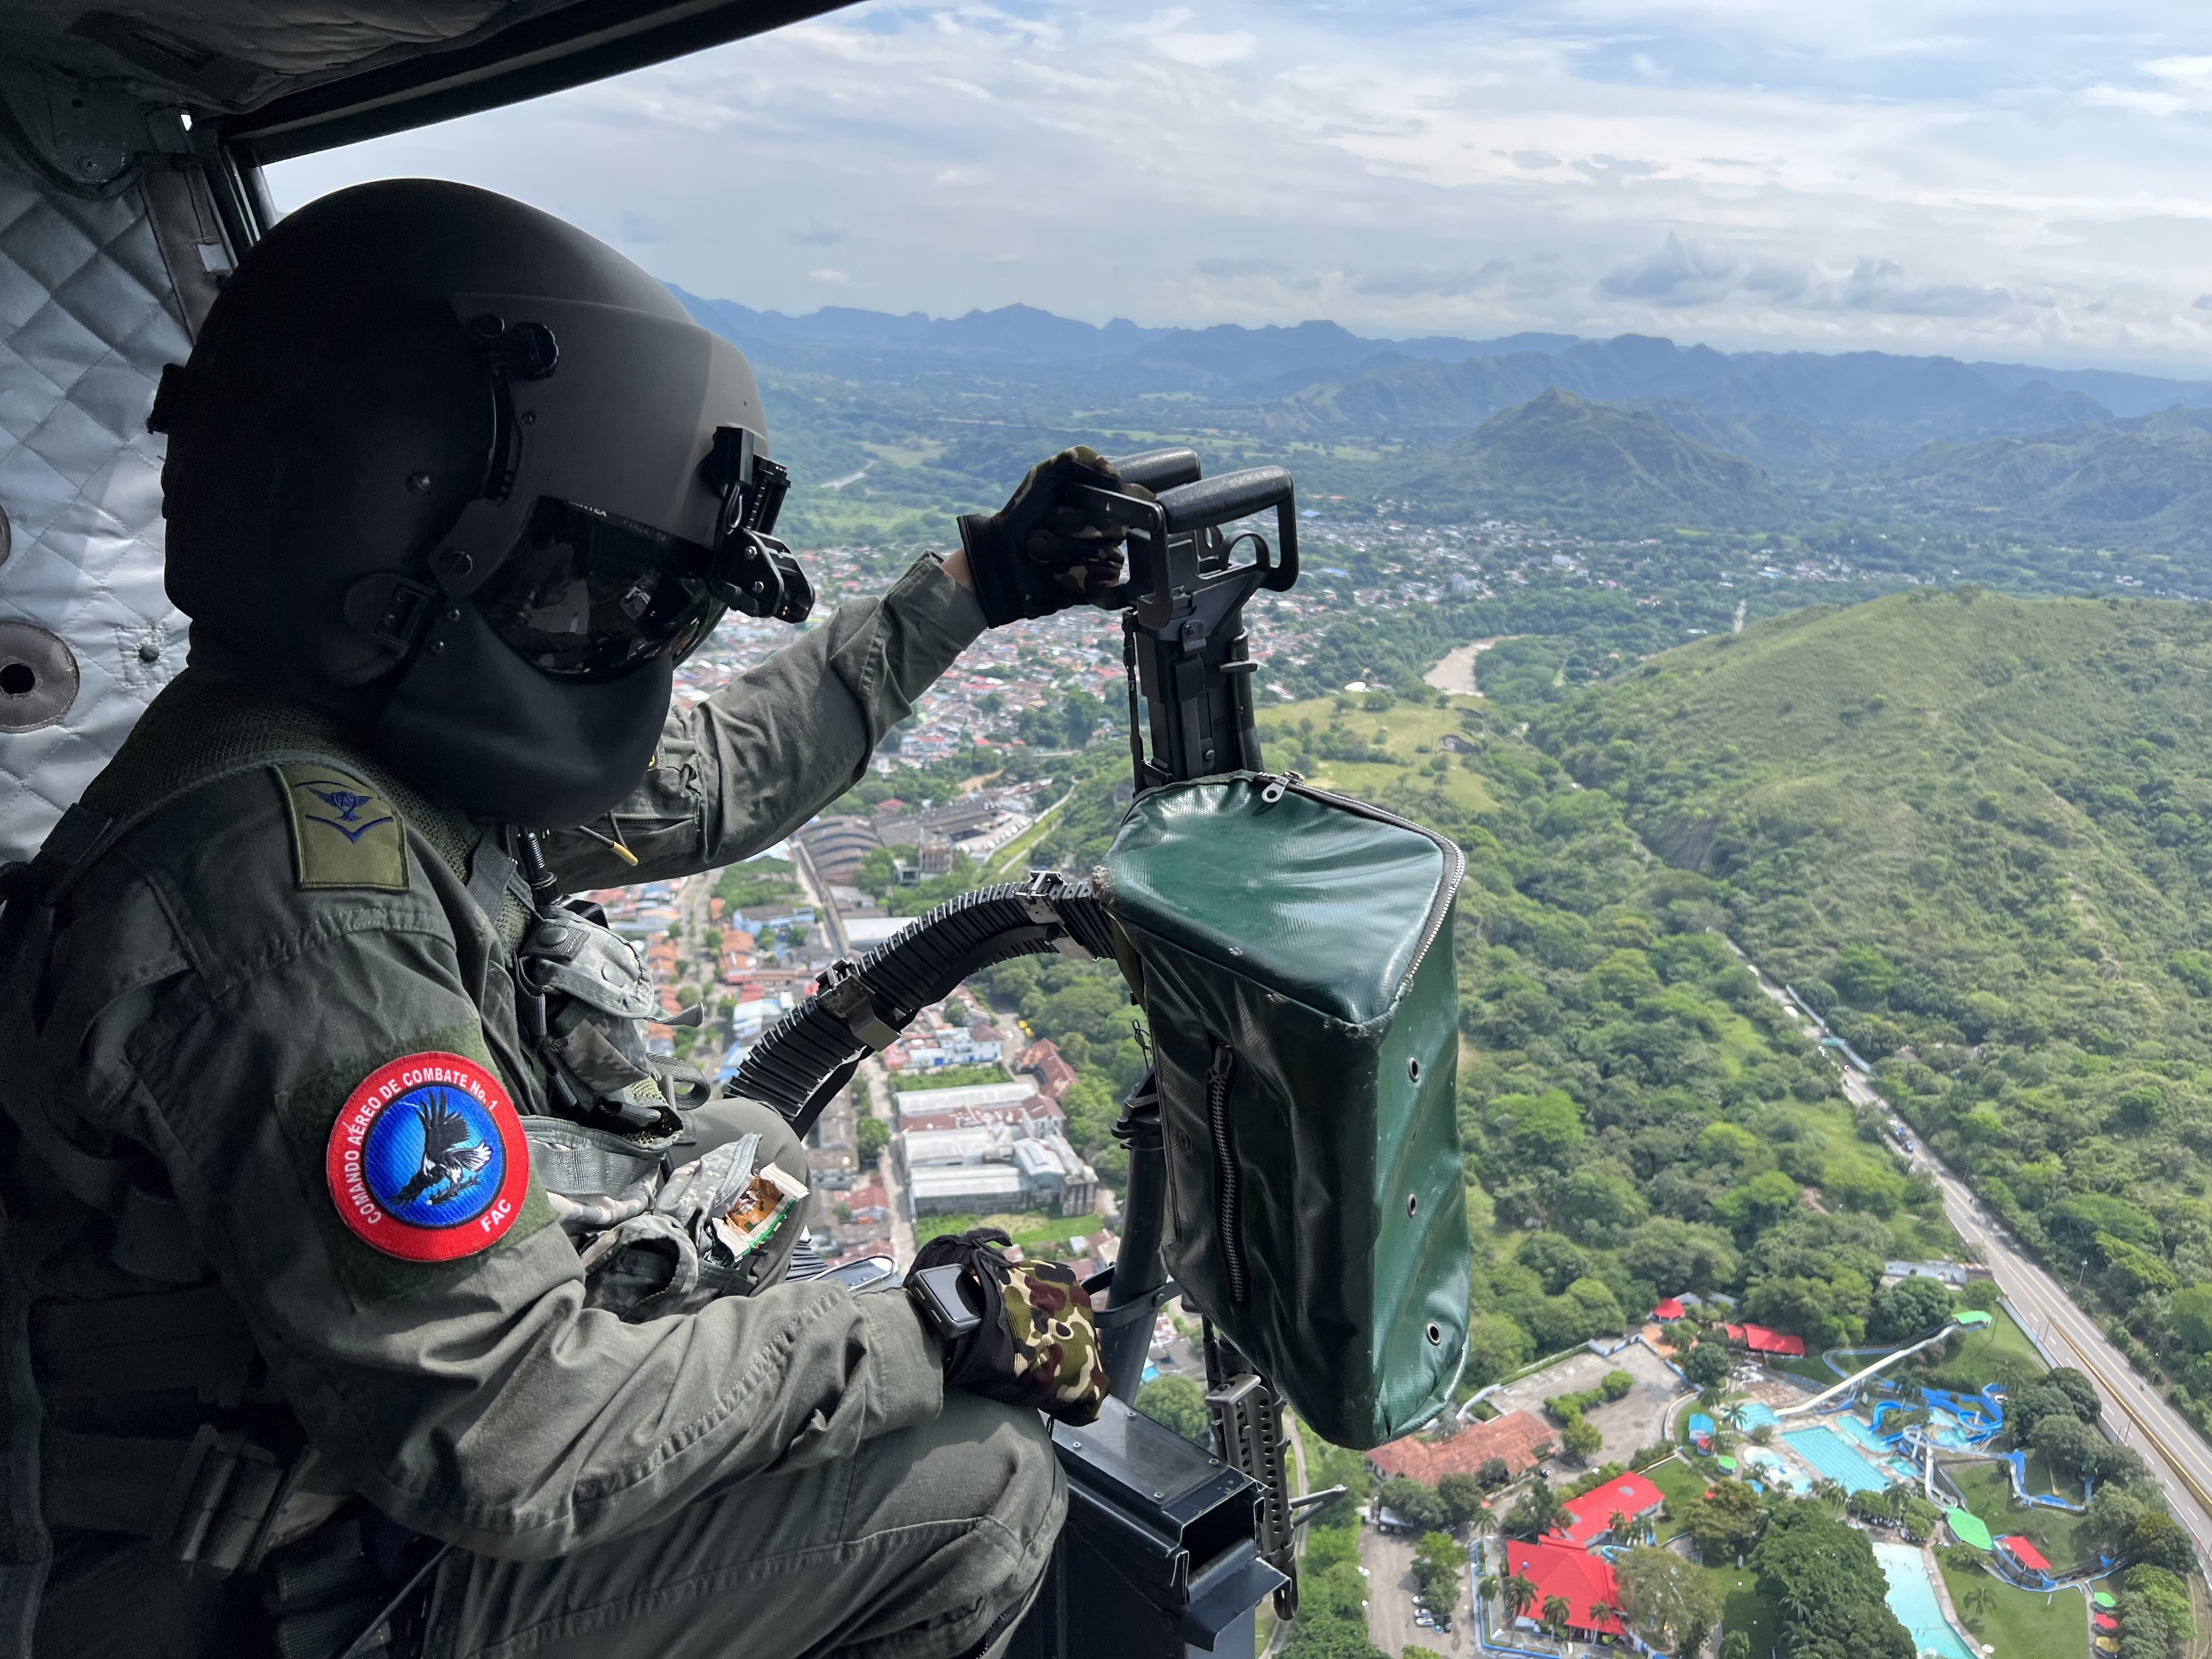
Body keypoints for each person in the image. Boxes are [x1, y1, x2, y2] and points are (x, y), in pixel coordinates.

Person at [0, 179, 1131, 1659]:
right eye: (598, 591)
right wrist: (931, 1331)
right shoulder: (294, 904)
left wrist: (973, 588)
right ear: (417, 539)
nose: (623, 644)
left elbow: (715, 777)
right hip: (261, 1591)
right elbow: (506, 1435)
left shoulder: (357, 739)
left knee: (759, 1154)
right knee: (983, 1489)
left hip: (334, 1455)